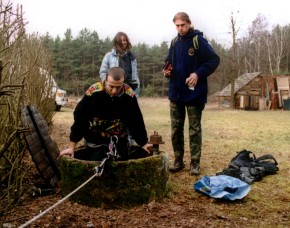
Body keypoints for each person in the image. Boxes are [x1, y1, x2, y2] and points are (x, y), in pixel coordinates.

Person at [163, 12, 220, 175]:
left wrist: (198, 74)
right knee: (176, 129)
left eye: (183, 25)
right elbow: (168, 62)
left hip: (194, 94)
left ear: (189, 23)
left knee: (194, 129)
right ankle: (178, 160)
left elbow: (214, 59)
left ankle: (195, 163)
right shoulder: (174, 42)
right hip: (176, 93)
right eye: (177, 26)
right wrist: (166, 70)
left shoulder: (198, 40)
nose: (180, 28)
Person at [60, 67, 151, 160]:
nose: (114, 91)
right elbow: (80, 120)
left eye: (118, 87)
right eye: (111, 86)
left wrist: (143, 143)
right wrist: (71, 147)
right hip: (96, 141)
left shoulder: (129, 94)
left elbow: (136, 120)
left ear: (123, 83)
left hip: (119, 141)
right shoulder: (93, 92)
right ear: (105, 81)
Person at [99, 32, 140, 96]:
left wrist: (137, 88)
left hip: (129, 89)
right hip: (115, 90)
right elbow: (103, 73)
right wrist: (108, 86)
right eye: (121, 40)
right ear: (117, 42)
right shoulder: (109, 56)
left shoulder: (132, 57)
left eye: (125, 40)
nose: (124, 42)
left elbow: (135, 75)